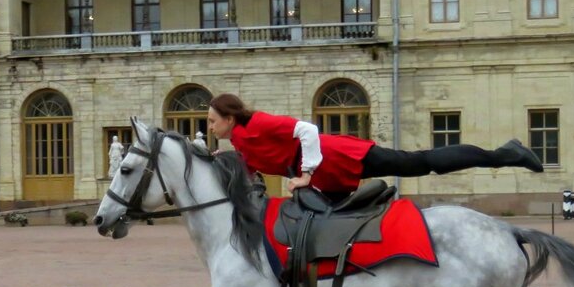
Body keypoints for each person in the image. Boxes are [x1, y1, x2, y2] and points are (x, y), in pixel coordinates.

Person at [206, 93, 543, 195]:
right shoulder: (239, 139)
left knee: (419, 162)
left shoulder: (259, 122)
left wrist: (306, 173)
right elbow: (250, 174)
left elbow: (307, 130)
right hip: (324, 174)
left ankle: (506, 154)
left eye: (211, 120)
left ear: (229, 117)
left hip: (338, 156)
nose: (209, 126)